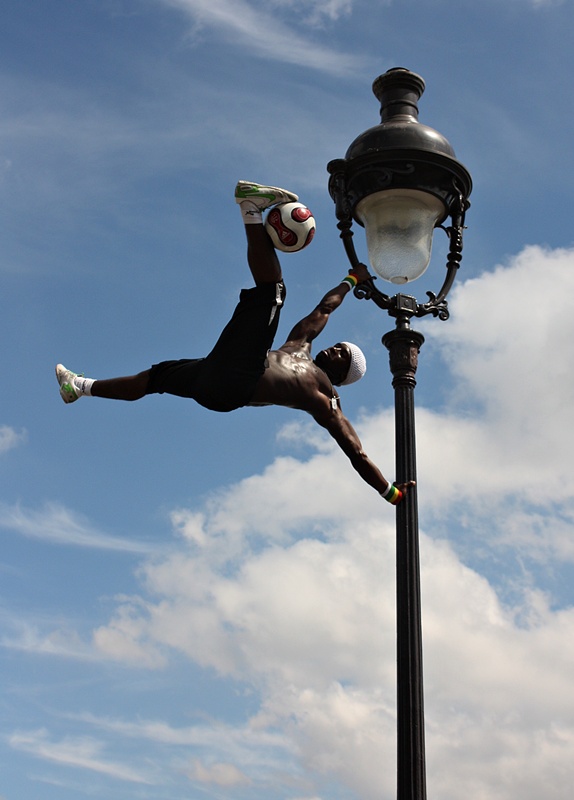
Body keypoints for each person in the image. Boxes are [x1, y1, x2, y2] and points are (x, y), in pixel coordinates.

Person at [56, 181, 413, 505]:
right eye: (340, 346)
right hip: (216, 377)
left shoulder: (324, 398)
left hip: (238, 382)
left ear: (340, 374)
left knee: (273, 292)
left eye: (342, 355)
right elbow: (324, 308)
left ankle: (251, 209)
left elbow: (355, 452)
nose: (335, 349)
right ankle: (79, 387)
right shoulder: (299, 346)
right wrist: (351, 279)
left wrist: (390, 491)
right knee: (153, 379)